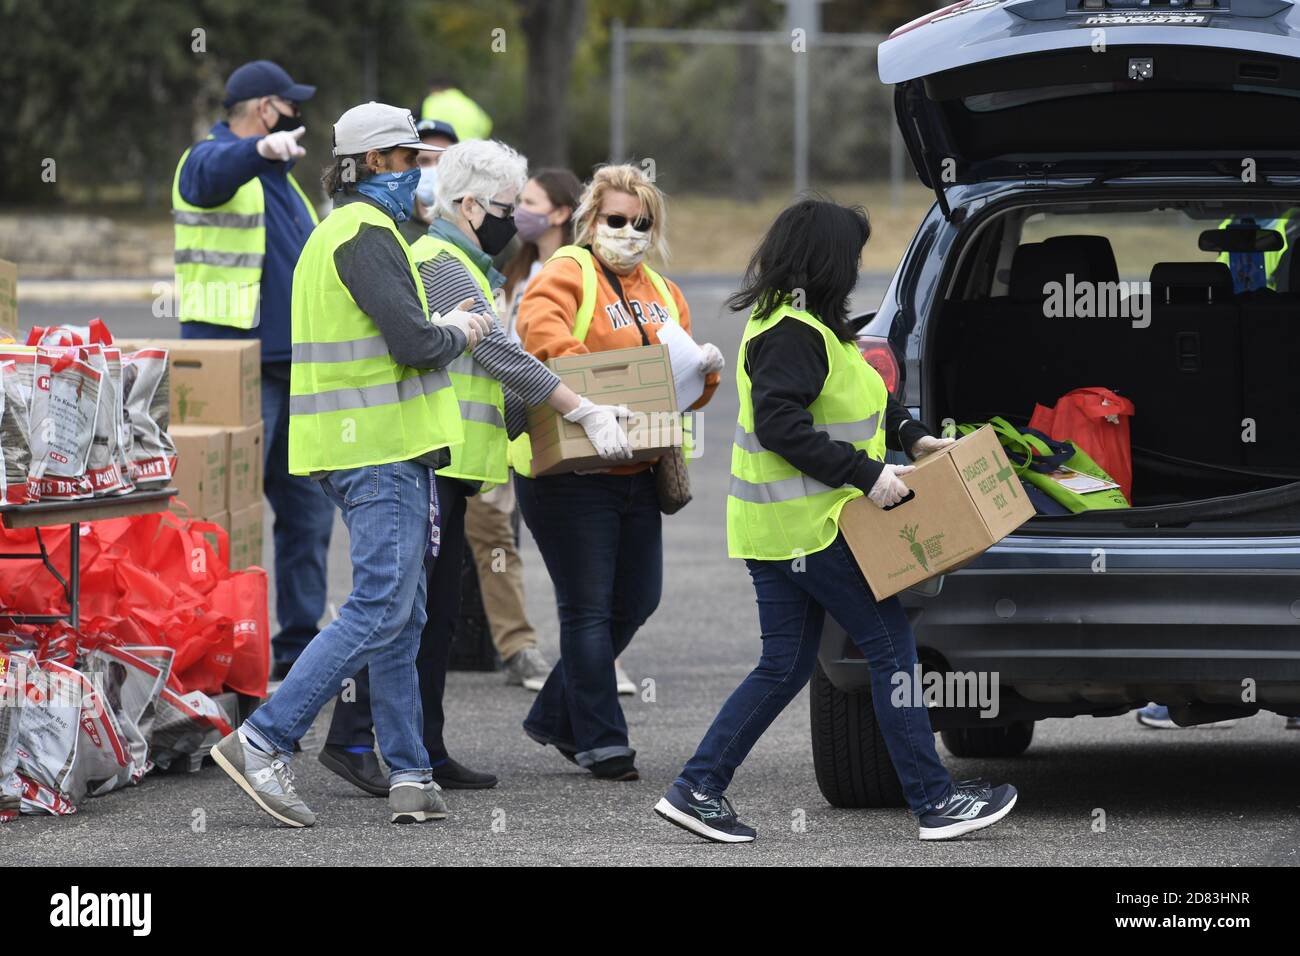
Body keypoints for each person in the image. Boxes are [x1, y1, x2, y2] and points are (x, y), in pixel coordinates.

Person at [652, 199, 1018, 844]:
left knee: (784, 666)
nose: (855, 268)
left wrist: (912, 435)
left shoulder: (809, 324)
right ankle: (934, 803)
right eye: (850, 256)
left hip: (785, 530)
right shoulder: (793, 332)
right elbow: (782, 425)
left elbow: (858, 399)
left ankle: (697, 787)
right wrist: (869, 475)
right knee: (891, 651)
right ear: (827, 260)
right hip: (815, 530)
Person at [211, 102, 494, 827]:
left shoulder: (348, 231)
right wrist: (461, 329)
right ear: (372, 163)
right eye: (408, 160)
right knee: (382, 605)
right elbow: (414, 343)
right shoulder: (365, 235)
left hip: (368, 446)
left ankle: (408, 771)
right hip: (377, 449)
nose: (420, 173)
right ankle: (265, 738)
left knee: (404, 613)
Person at [320, 141, 634, 794]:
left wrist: (544, 417)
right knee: (406, 612)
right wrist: (578, 408)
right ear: (467, 205)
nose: (514, 219)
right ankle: (357, 737)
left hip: (454, 460)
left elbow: (495, 382)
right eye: (505, 205)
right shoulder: (447, 262)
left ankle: (421, 747)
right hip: (437, 459)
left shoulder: (460, 262)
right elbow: (502, 358)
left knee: (428, 614)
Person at [514, 163, 724, 781]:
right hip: (568, 472)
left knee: (637, 598)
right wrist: (601, 391)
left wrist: (704, 372)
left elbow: (682, 386)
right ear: (589, 220)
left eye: (641, 222)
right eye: (616, 219)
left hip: (637, 465)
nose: (629, 231)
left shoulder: (663, 291)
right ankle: (605, 742)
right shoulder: (565, 274)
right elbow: (541, 340)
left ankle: (555, 713)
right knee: (587, 608)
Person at [172, 60, 336, 681]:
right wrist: (255, 150)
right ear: (266, 109)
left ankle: (296, 651)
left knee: (307, 518)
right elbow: (209, 177)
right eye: (288, 106)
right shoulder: (211, 158)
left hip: (292, 370)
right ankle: (218, 650)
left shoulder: (282, 180)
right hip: (234, 370)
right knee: (227, 520)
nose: (297, 115)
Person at [402, 119, 459, 241]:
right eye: (423, 161)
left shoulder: (477, 229)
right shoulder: (395, 228)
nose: (434, 169)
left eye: (442, 160)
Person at [421, 76, 492, 141]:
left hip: (446, 147)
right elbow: (487, 124)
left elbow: (428, 125)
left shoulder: (433, 101)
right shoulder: (469, 103)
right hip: (471, 149)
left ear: (434, 89)